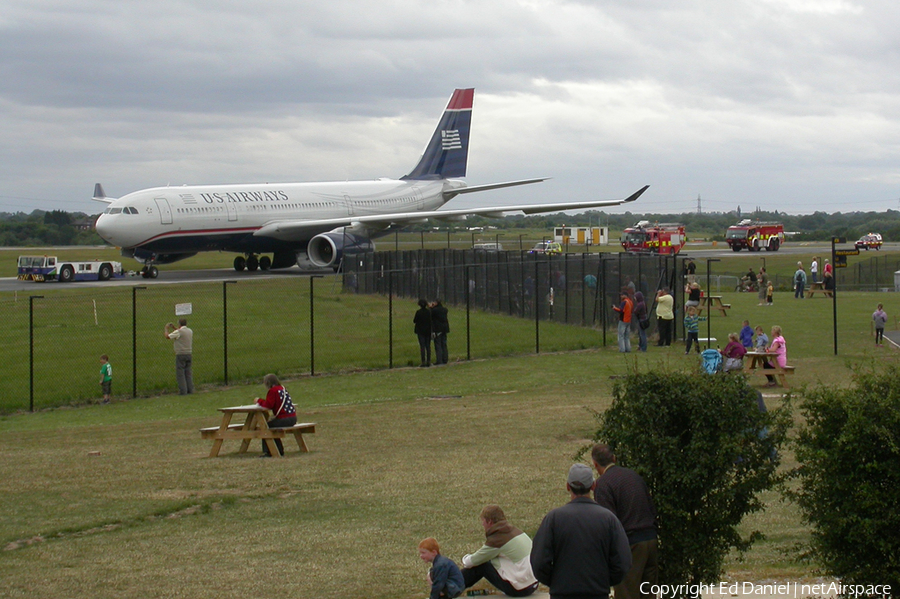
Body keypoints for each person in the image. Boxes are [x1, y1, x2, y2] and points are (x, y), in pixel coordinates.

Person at [531, 464, 631, 599]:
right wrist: (604, 581)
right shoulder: (608, 519)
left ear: (567, 486)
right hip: (597, 593)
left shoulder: (554, 519)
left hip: (562, 593)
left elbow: (539, 562)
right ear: (593, 485)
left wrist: (556, 582)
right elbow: (623, 562)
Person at [591, 445, 658, 599]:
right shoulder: (634, 476)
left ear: (595, 464)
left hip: (630, 546)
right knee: (649, 594)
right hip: (651, 540)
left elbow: (608, 523)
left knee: (627, 593)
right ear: (614, 458)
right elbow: (652, 509)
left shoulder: (603, 484)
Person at [460, 505, 539, 597]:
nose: (482, 524)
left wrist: (464, 558)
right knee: (491, 559)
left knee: (482, 565)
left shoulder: (498, 539)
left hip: (519, 589)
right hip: (533, 585)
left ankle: (447, 589)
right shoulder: (516, 531)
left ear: (489, 521)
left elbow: (471, 562)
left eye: (483, 521)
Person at [254, 373, 297, 457]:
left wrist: (259, 401)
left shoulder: (273, 391)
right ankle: (279, 450)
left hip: (284, 419)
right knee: (271, 426)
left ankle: (269, 451)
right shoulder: (283, 388)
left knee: (265, 427)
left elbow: (268, 405)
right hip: (293, 418)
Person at [164, 318, 193, 395]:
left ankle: (183, 391)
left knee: (180, 373)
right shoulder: (189, 331)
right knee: (188, 373)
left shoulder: (179, 332)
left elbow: (168, 336)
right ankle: (190, 389)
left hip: (181, 354)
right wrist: (174, 328)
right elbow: (180, 332)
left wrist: (166, 329)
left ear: (179, 324)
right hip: (189, 353)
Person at [430, 299, 450, 365]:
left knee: (438, 344)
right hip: (444, 328)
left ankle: (439, 360)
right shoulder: (445, 310)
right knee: (444, 344)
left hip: (438, 329)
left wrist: (431, 307)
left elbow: (431, 315)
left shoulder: (434, 310)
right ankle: (445, 359)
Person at [414, 299, 433, 367]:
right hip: (428, 331)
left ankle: (423, 362)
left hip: (420, 331)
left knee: (422, 346)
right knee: (428, 346)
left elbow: (414, 320)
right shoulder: (428, 312)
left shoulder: (418, 312)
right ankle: (429, 361)